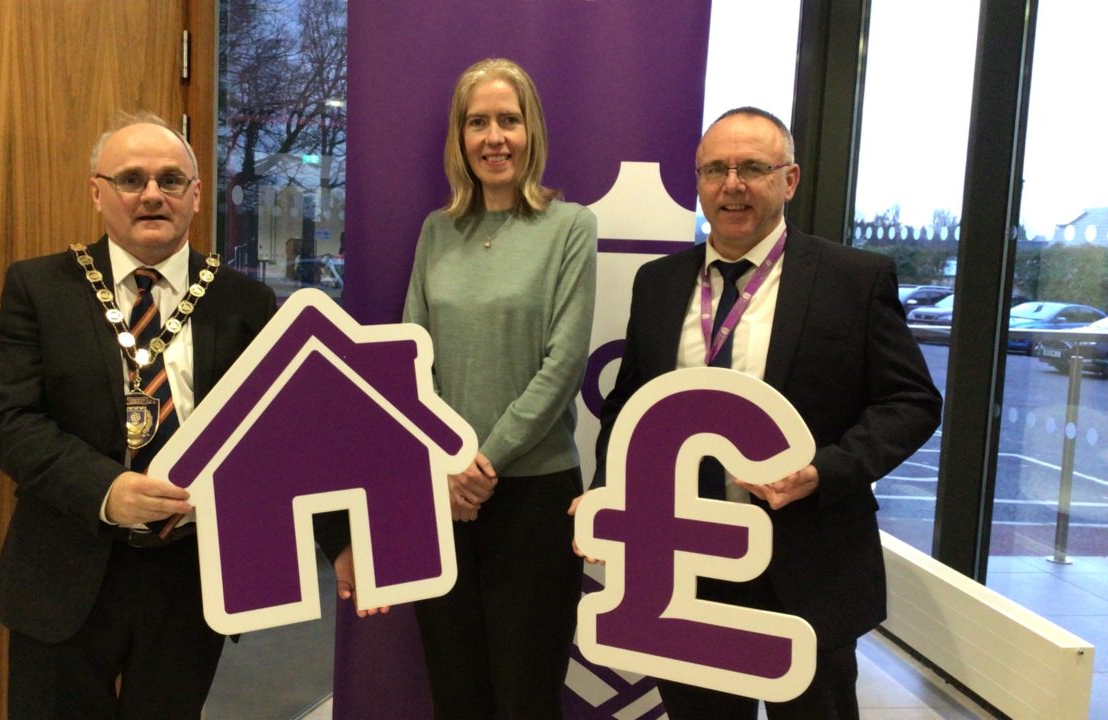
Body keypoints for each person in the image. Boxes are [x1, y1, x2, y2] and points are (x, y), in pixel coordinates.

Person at [584, 107, 942, 719]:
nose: (733, 185)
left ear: (789, 180)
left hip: (808, 565)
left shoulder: (853, 279)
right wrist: (610, 493)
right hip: (685, 565)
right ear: (698, 182)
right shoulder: (659, 283)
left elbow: (912, 402)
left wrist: (826, 471)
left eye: (753, 168)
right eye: (716, 170)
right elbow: (629, 404)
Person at [0, 111, 277, 719]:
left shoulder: (245, 301)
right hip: (66, 564)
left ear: (196, 196)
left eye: (171, 180)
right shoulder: (40, 287)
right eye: (131, 179)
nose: (152, 195)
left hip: (190, 574)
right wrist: (107, 489)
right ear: (97, 192)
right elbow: (10, 422)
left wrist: (341, 541)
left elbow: (275, 434)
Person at [400, 58, 597, 719]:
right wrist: (449, 462)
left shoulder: (570, 227)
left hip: (536, 499)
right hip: (441, 494)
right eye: (477, 122)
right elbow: (411, 360)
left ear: (530, 130)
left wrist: (482, 461)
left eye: (508, 120)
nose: (494, 137)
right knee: (456, 694)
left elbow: (563, 363)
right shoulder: (436, 231)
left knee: (526, 699)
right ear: (459, 137)